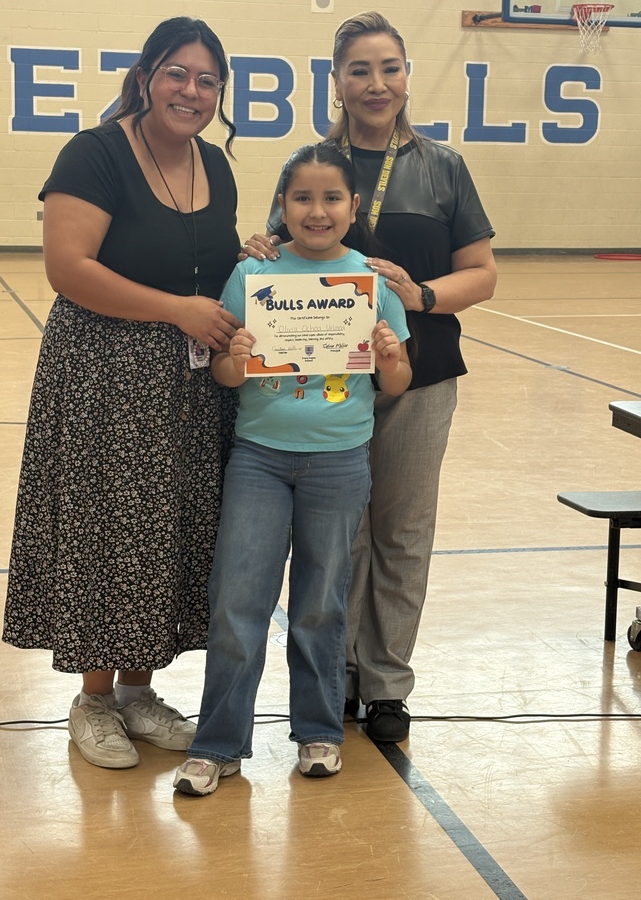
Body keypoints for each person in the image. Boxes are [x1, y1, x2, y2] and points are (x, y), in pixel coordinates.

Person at [244, 11, 497, 744]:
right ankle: (337, 678)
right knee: (339, 534)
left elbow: (482, 276)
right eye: (359, 69)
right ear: (337, 82)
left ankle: (386, 683)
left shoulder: (442, 165)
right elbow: (281, 256)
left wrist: (420, 295)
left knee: (401, 529)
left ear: (407, 76)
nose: (376, 83)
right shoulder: (312, 164)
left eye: (389, 67)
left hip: (420, 373)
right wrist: (259, 247)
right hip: (330, 382)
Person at [2, 16, 243, 769]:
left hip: (192, 387)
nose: (191, 90)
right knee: (106, 530)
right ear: (146, 78)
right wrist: (176, 311)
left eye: (207, 80)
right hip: (104, 373)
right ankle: (94, 699)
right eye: (177, 73)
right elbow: (68, 268)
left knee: (167, 532)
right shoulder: (96, 152)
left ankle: (139, 694)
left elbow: (212, 262)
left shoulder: (218, 164)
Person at [172, 143, 412, 796]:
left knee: (320, 604)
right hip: (259, 461)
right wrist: (240, 360)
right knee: (238, 601)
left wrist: (389, 355)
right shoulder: (254, 275)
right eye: (301, 197)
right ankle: (217, 744)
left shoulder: (372, 281)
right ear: (282, 206)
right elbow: (223, 373)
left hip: (339, 465)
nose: (317, 210)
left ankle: (318, 732)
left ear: (353, 207)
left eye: (332, 197)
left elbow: (397, 382)